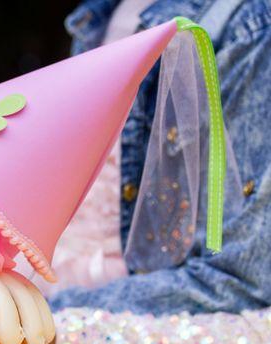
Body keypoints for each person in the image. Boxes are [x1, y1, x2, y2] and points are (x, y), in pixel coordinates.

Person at [46, 0, 271, 316]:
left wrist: (45, 319)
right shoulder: (95, 18)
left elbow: (243, 279)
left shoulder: (248, 24)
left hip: (118, 334)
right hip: (56, 304)